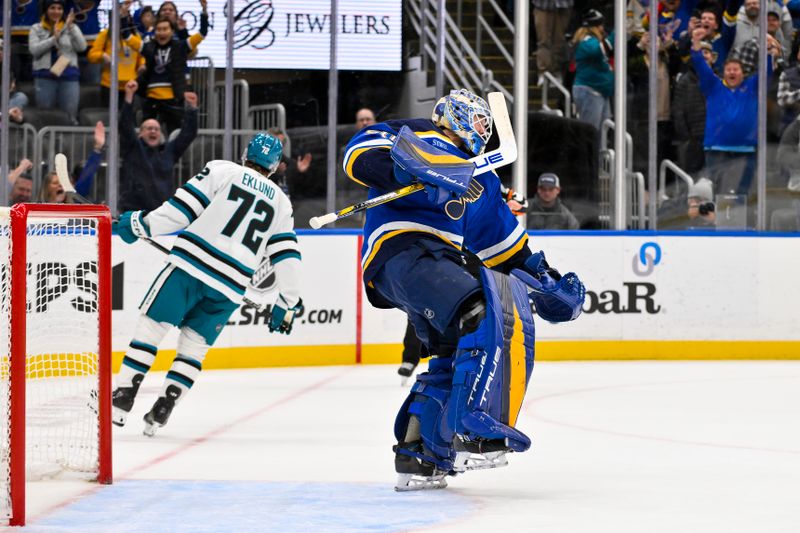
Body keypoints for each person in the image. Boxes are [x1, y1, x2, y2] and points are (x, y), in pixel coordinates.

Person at [343, 88, 585, 490]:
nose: (480, 129)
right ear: (450, 114)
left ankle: (420, 455)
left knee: (452, 349)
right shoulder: (414, 132)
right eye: (474, 120)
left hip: (437, 262)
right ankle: (473, 425)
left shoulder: (481, 179)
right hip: (402, 249)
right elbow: (357, 155)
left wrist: (547, 280)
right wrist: (407, 169)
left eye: (484, 125)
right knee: (483, 311)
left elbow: (506, 248)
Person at [111, 131, 303, 436]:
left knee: (151, 330)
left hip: (189, 269)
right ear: (275, 165)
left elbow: (180, 211)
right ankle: (164, 407)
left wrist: (142, 224)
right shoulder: (282, 203)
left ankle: (122, 399)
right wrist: (288, 301)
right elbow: (287, 255)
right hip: (228, 289)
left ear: (244, 154)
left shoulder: (221, 170)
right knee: (194, 349)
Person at [691, 26, 779, 197]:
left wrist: (769, 51)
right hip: (717, 148)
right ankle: (715, 221)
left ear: (742, 73)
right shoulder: (713, 86)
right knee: (715, 190)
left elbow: (766, 73)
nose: (732, 72)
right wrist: (695, 41)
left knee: (743, 192)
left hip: (746, 148)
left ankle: (742, 220)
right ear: (723, 72)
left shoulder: (752, 87)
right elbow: (700, 65)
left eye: (735, 69)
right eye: (728, 69)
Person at [124, 2, 208, 133]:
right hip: (152, 98)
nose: (162, 33)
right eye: (159, 29)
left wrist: (204, 10)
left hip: (173, 98)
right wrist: (123, 14)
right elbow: (128, 37)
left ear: (172, 31)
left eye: (165, 29)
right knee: (148, 135)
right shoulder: (148, 46)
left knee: (175, 136)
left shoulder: (179, 46)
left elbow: (202, 33)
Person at [118, 79, 198, 212]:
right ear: (140, 133)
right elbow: (125, 125)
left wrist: (192, 108)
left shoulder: (168, 151)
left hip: (160, 213)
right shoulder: (133, 148)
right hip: (132, 212)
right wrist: (129, 95)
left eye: (156, 129)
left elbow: (188, 134)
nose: (153, 131)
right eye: (149, 128)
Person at [28, 0, 87, 124]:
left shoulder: (71, 27)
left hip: (69, 77)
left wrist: (71, 27)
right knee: (45, 118)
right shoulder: (36, 28)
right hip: (44, 77)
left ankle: (68, 143)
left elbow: (82, 47)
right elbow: (34, 50)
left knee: (70, 117)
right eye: (52, 8)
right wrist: (53, 39)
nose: (56, 11)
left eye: (59, 8)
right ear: (46, 10)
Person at [88, 0, 144, 106]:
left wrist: (142, 64)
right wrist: (102, 55)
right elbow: (92, 55)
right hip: (110, 85)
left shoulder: (134, 35)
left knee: (128, 117)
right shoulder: (105, 34)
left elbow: (141, 55)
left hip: (130, 84)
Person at [571, 9, 614, 133]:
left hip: (600, 92)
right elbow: (598, 50)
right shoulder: (586, 41)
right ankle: (587, 153)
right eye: (600, 25)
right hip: (590, 91)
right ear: (593, 27)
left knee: (603, 134)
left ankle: (599, 152)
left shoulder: (593, 41)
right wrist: (617, 34)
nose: (602, 28)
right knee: (590, 133)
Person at [532, 0, 573, 84]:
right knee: (543, 40)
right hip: (542, 5)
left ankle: (556, 72)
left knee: (559, 40)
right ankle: (543, 71)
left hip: (563, 5)